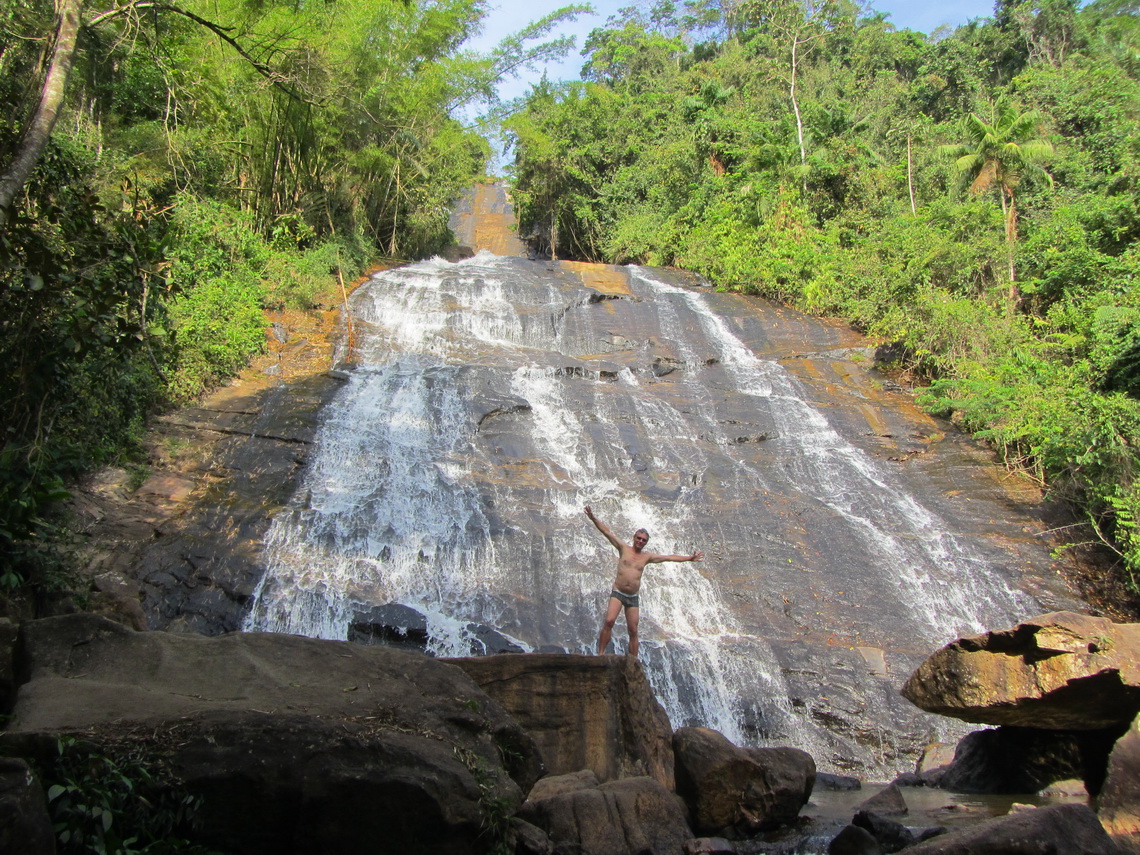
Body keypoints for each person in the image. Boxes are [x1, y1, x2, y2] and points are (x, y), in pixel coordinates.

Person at [585, 505, 703, 657]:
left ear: (646, 542)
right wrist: (593, 518)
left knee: (633, 630)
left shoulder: (647, 557)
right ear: (634, 538)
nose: (640, 541)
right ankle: (600, 654)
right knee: (609, 621)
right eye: (639, 538)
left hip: (633, 597)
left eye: (644, 540)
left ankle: (633, 662)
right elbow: (606, 532)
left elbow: (669, 557)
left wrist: (689, 558)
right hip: (618, 592)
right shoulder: (623, 548)